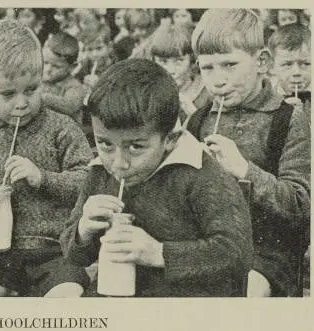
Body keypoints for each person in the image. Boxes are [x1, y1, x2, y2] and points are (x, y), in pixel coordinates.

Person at [62, 58, 253, 297]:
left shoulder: (200, 174)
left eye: (135, 147)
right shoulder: (100, 172)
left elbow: (237, 253)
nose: (118, 163)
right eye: (105, 144)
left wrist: (158, 253)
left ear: (170, 139)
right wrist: (83, 230)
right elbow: (74, 255)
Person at [0, 19, 91, 297]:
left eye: (31, 90)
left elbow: (88, 179)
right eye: (8, 94)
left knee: (67, 299)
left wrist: (43, 178)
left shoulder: (61, 128)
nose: (22, 102)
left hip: (55, 251)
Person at [185, 9, 310, 297]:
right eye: (207, 68)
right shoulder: (198, 120)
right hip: (208, 241)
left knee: (247, 290)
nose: (217, 80)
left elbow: (302, 207)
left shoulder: (287, 119)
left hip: (266, 251)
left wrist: (243, 169)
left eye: (229, 65)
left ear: (262, 62)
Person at [148, 24, 211, 121]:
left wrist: (195, 116)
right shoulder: (148, 92)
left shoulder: (208, 93)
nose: (171, 70)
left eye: (179, 61)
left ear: (192, 60)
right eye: (163, 61)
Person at [40, 32, 88, 124]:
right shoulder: (39, 80)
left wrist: (44, 97)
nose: (48, 69)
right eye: (45, 62)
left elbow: (70, 106)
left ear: (72, 67)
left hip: (67, 131)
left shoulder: (73, 85)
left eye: (56, 66)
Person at [268, 23, 311, 114]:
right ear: (271, 66)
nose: (296, 72)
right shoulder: (266, 101)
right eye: (287, 64)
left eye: (305, 63)